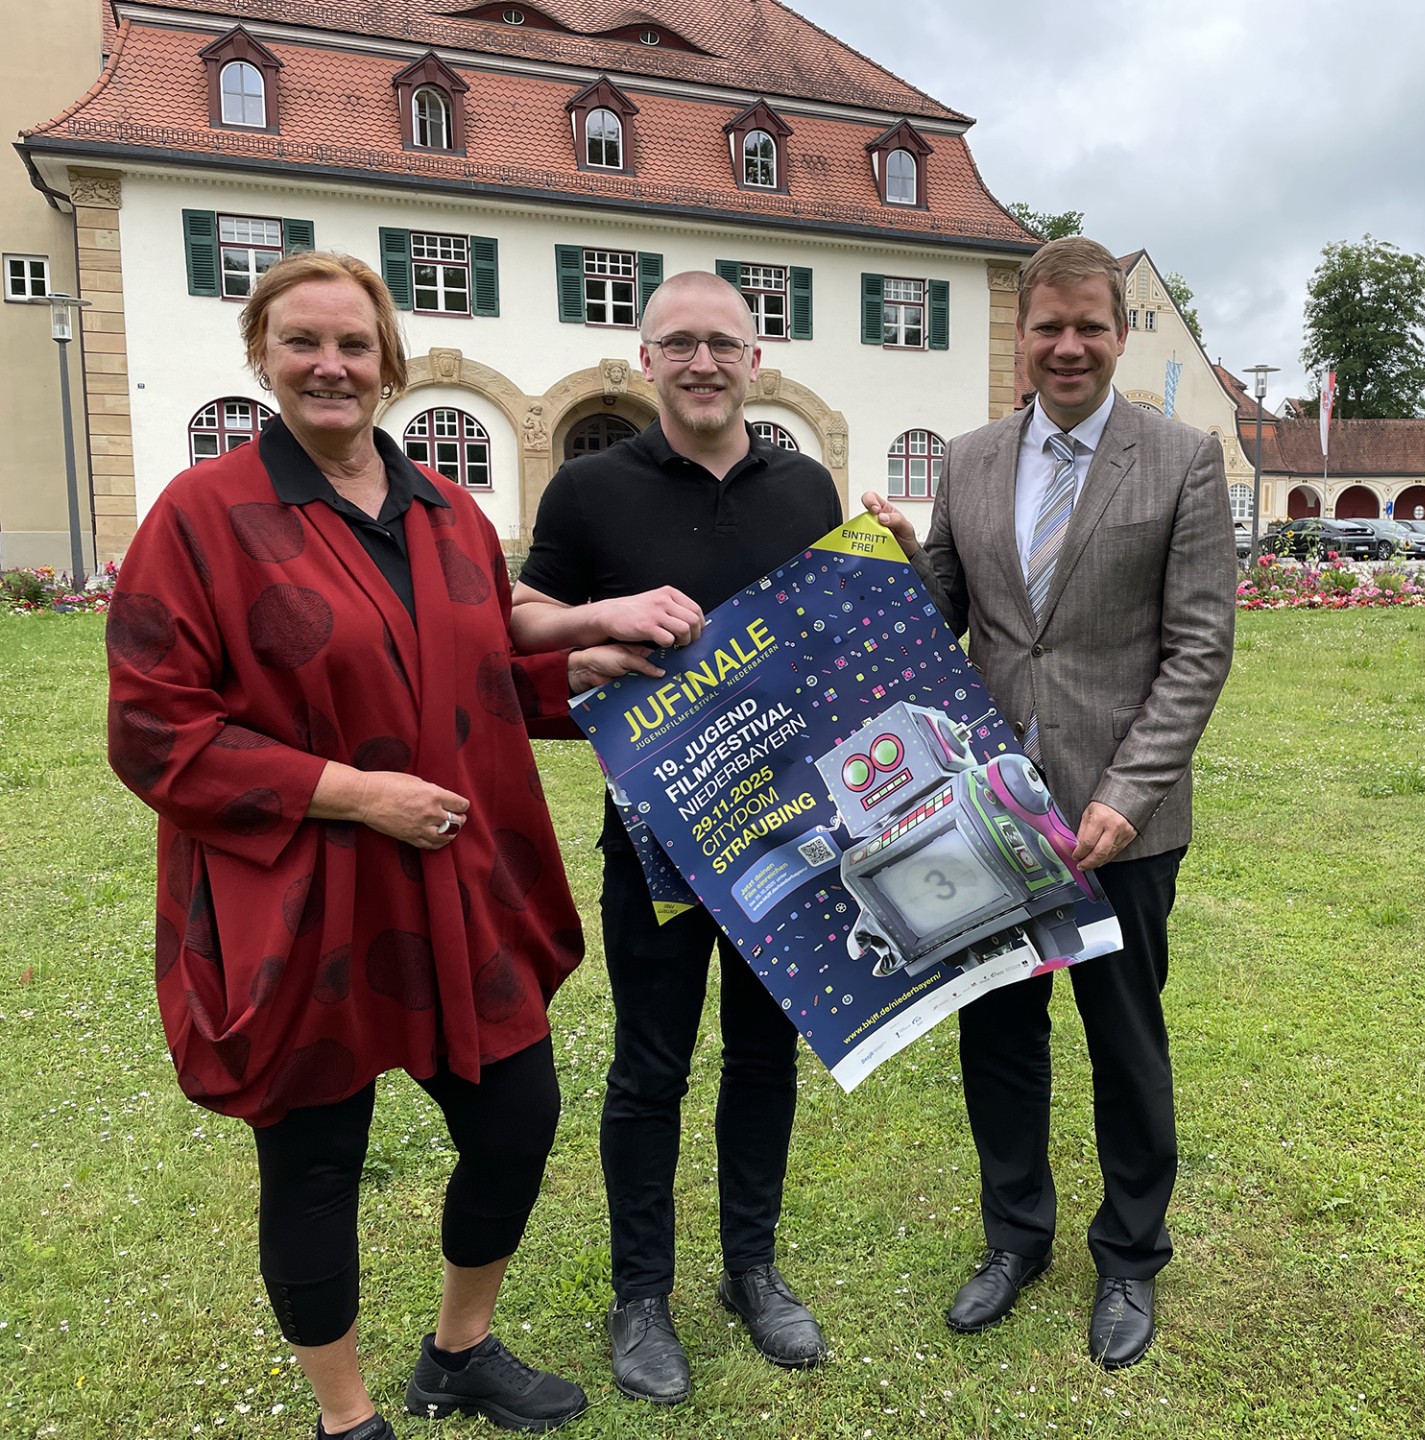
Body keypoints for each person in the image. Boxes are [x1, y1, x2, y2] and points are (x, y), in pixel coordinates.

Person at [105, 251, 650, 1438]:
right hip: (306, 894)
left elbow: (473, 674)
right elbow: (153, 731)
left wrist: (581, 670)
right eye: (301, 342)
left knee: (517, 1120)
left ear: (388, 362)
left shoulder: (448, 512)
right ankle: (345, 1416)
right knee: (315, 1161)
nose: (329, 365)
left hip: (457, 883)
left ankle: (459, 1351)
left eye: (353, 344)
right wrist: (350, 794)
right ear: (263, 357)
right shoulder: (202, 516)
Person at [862, 236, 1235, 1369]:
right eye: (1047, 327)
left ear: (1119, 333)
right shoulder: (970, 461)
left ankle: (1130, 1255)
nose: (1068, 347)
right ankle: (1014, 1236)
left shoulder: (1180, 458)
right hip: (985, 814)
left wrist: (1128, 794)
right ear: (1020, 336)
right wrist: (902, 561)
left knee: (1125, 1039)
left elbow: (1198, 649)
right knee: (1001, 1039)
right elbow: (949, 619)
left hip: (1121, 825)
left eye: (1089, 327)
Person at [510, 272, 843, 1404]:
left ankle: (752, 1269)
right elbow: (521, 620)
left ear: (757, 359)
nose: (704, 362)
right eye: (680, 344)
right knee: (651, 1068)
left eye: (724, 344)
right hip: (656, 834)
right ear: (645, 359)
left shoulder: (805, 485)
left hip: (789, 830)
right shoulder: (590, 488)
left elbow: (833, 634)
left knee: (763, 1058)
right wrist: (595, 626)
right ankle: (641, 1295)